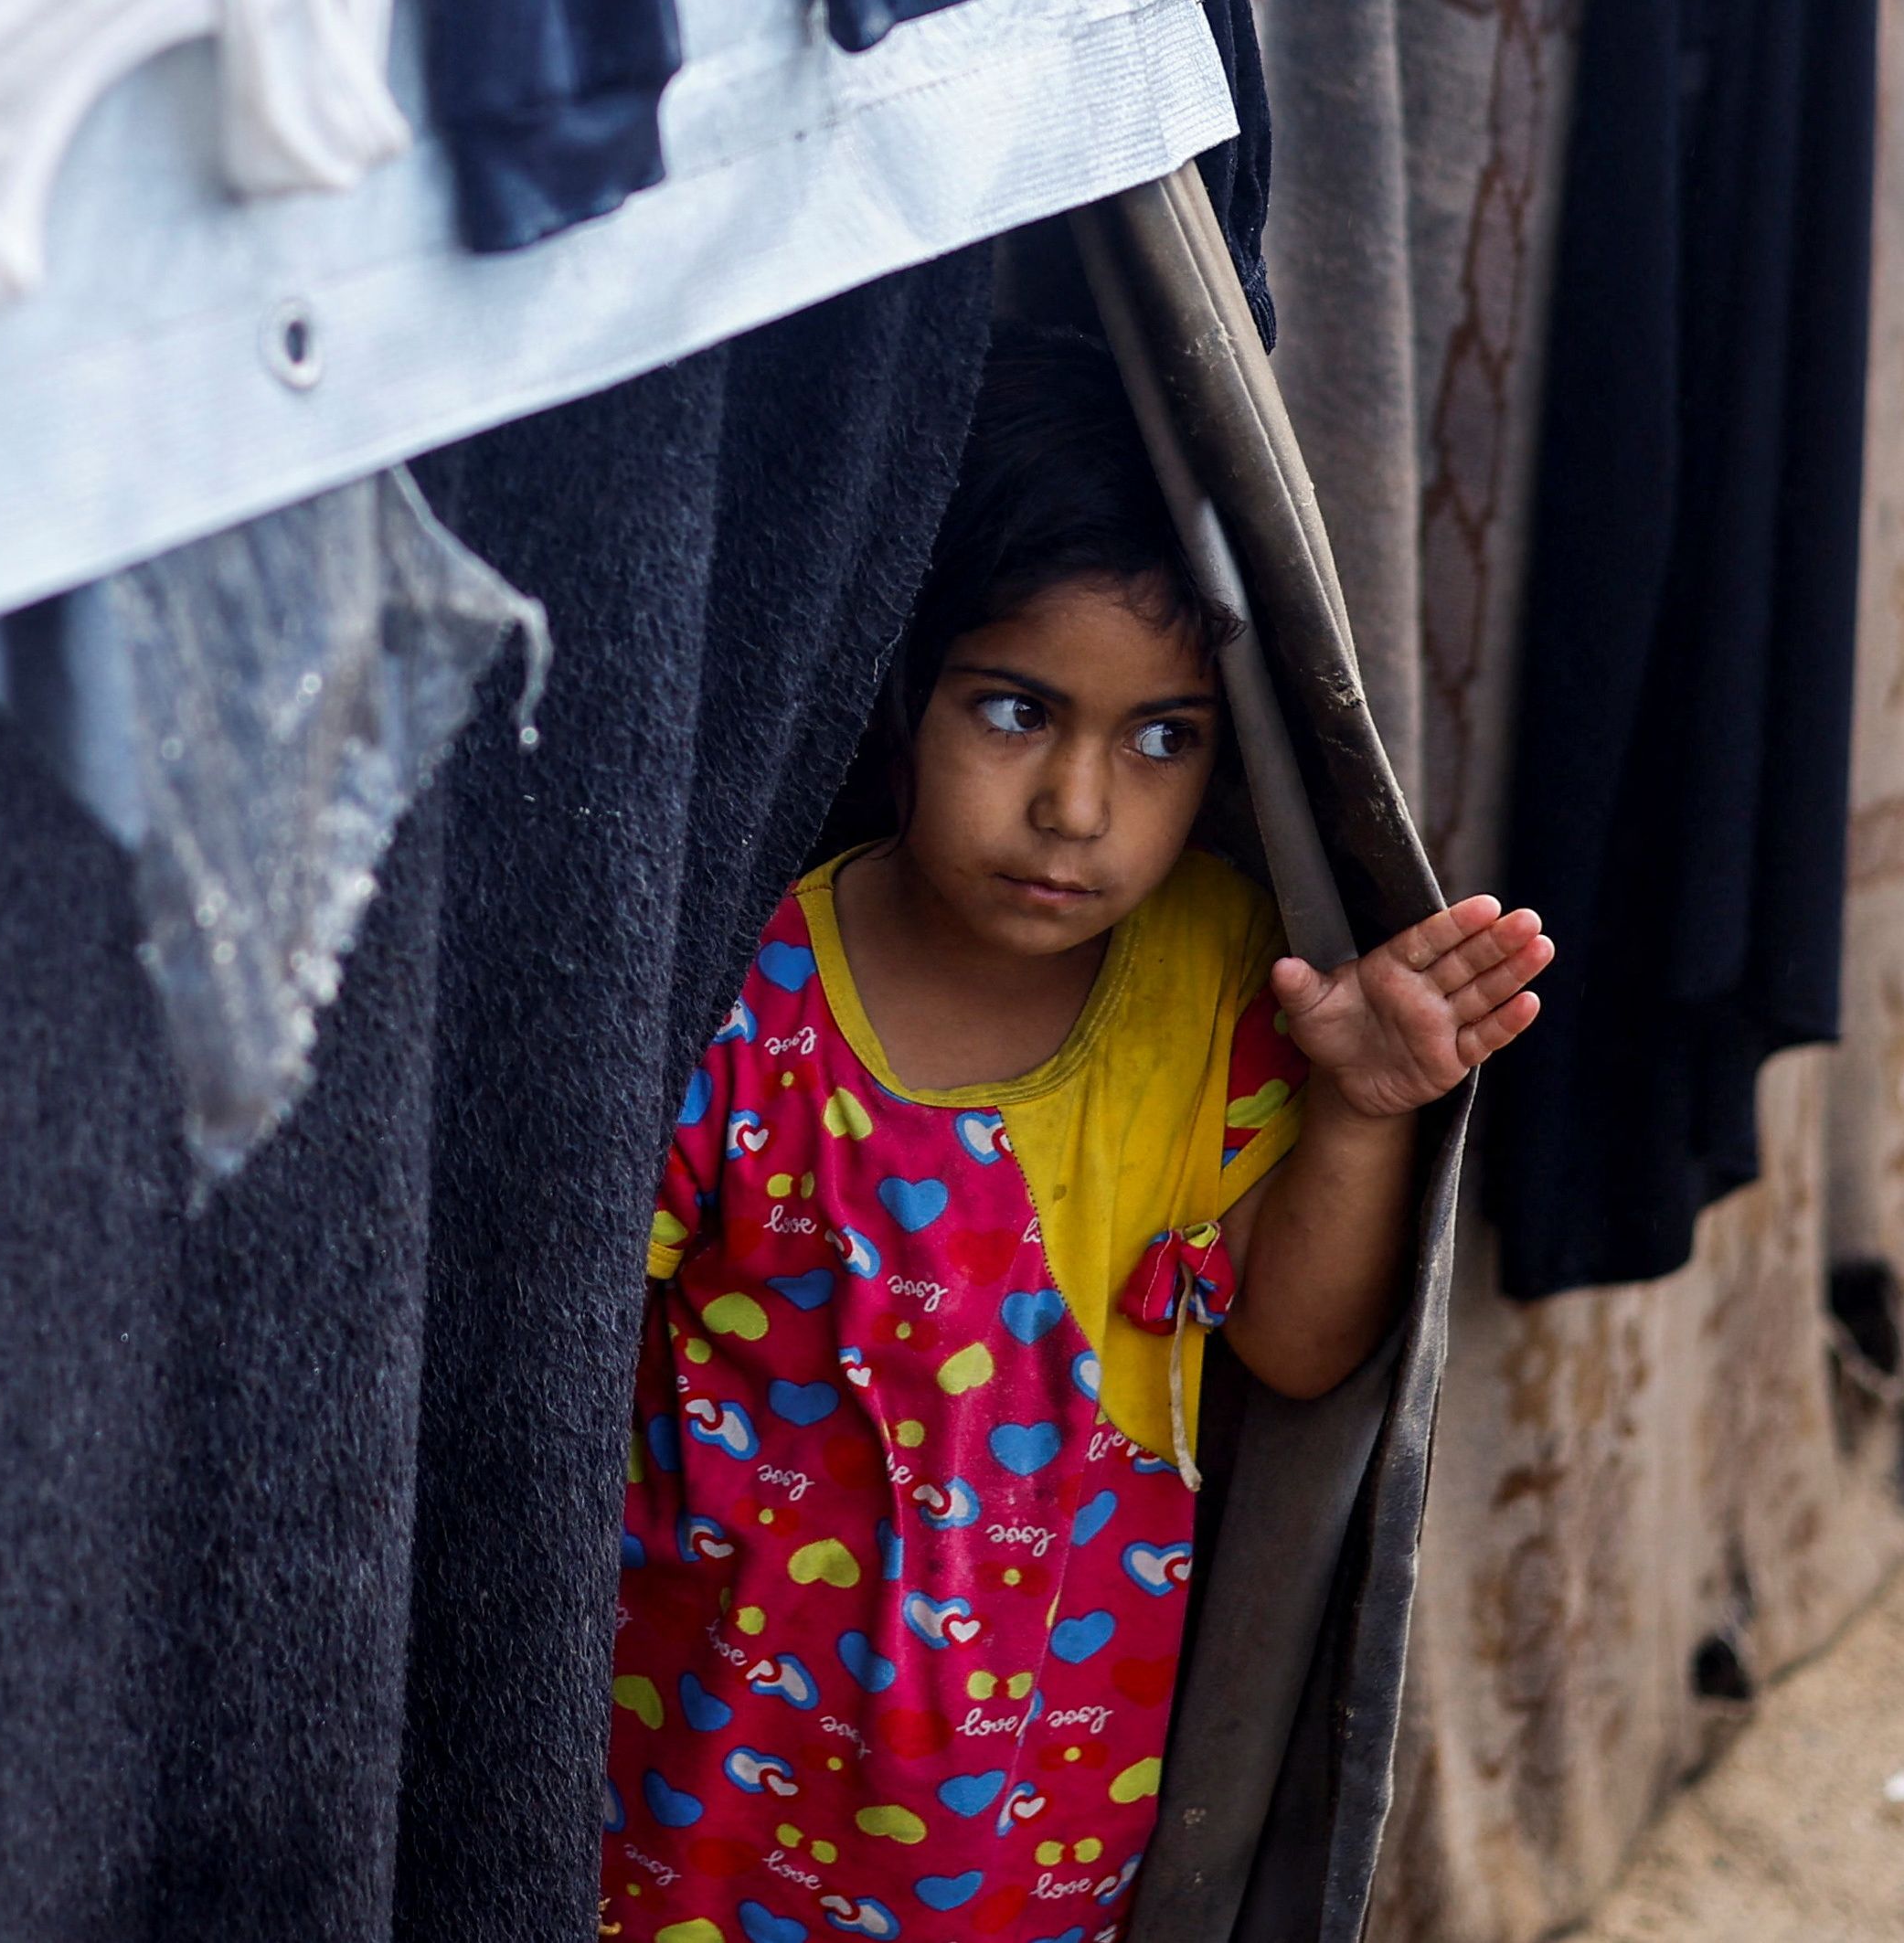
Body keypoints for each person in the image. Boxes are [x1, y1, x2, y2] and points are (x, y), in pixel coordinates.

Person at [600, 324, 1550, 1943]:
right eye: (1017, 711)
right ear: (904, 684)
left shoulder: (1218, 989)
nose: (1078, 808)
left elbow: (1304, 1352)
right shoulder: (742, 998)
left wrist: (1363, 1111)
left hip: (1037, 1845)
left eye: (1161, 737)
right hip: (694, 1811)